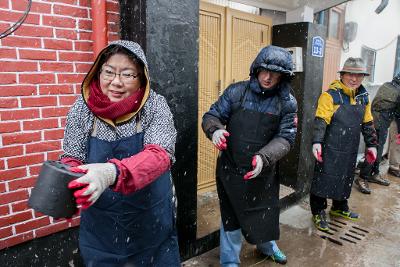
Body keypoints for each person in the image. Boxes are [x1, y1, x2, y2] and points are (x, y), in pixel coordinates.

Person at [59, 40, 180, 266]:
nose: (116, 82)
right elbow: (71, 157)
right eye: (109, 72)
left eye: (127, 74)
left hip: (150, 221)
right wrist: (66, 186)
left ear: (141, 78)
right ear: (98, 72)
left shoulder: (155, 106)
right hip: (102, 227)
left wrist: (110, 172)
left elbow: (160, 155)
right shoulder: (81, 108)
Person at [202, 45, 298, 266]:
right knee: (231, 217)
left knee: (263, 214)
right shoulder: (236, 92)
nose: (267, 77)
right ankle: (229, 261)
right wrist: (214, 129)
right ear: (255, 69)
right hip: (231, 169)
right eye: (264, 70)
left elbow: (286, 138)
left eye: (274, 73)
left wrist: (264, 158)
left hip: (263, 171)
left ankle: (267, 246)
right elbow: (212, 115)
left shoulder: (287, 102)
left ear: (283, 76)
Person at [310, 57, 378, 232]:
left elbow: (368, 122)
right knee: (324, 178)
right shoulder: (330, 95)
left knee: (345, 177)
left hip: (350, 147)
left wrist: (372, 145)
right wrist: (317, 142)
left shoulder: (364, 97)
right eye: (350, 74)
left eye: (359, 75)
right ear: (342, 75)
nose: (354, 79)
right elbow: (320, 121)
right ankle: (318, 211)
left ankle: (339, 207)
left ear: (363, 77)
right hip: (329, 147)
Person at [355, 72, 400, 193]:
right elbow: (399, 115)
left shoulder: (387, 85)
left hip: (374, 119)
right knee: (374, 150)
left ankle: (374, 173)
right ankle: (362, 178)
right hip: (380, 122)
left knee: (377, 149)